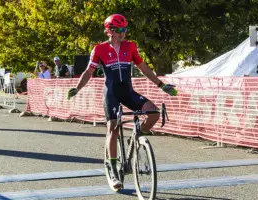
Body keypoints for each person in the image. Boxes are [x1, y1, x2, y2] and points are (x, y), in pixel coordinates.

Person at [66, 14, 177, 190]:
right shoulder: (99, 49)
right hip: (111, 94)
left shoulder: (130, 46)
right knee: (113, 127)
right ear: (109, 31)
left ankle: (136, 139)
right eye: (119, 30)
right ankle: (112, 168)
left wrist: (161, 85)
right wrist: (77, 88)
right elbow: (88, 72)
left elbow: (144, 68)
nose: (123, 33)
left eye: (125, 30)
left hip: (128, 92)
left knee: (154, 113)